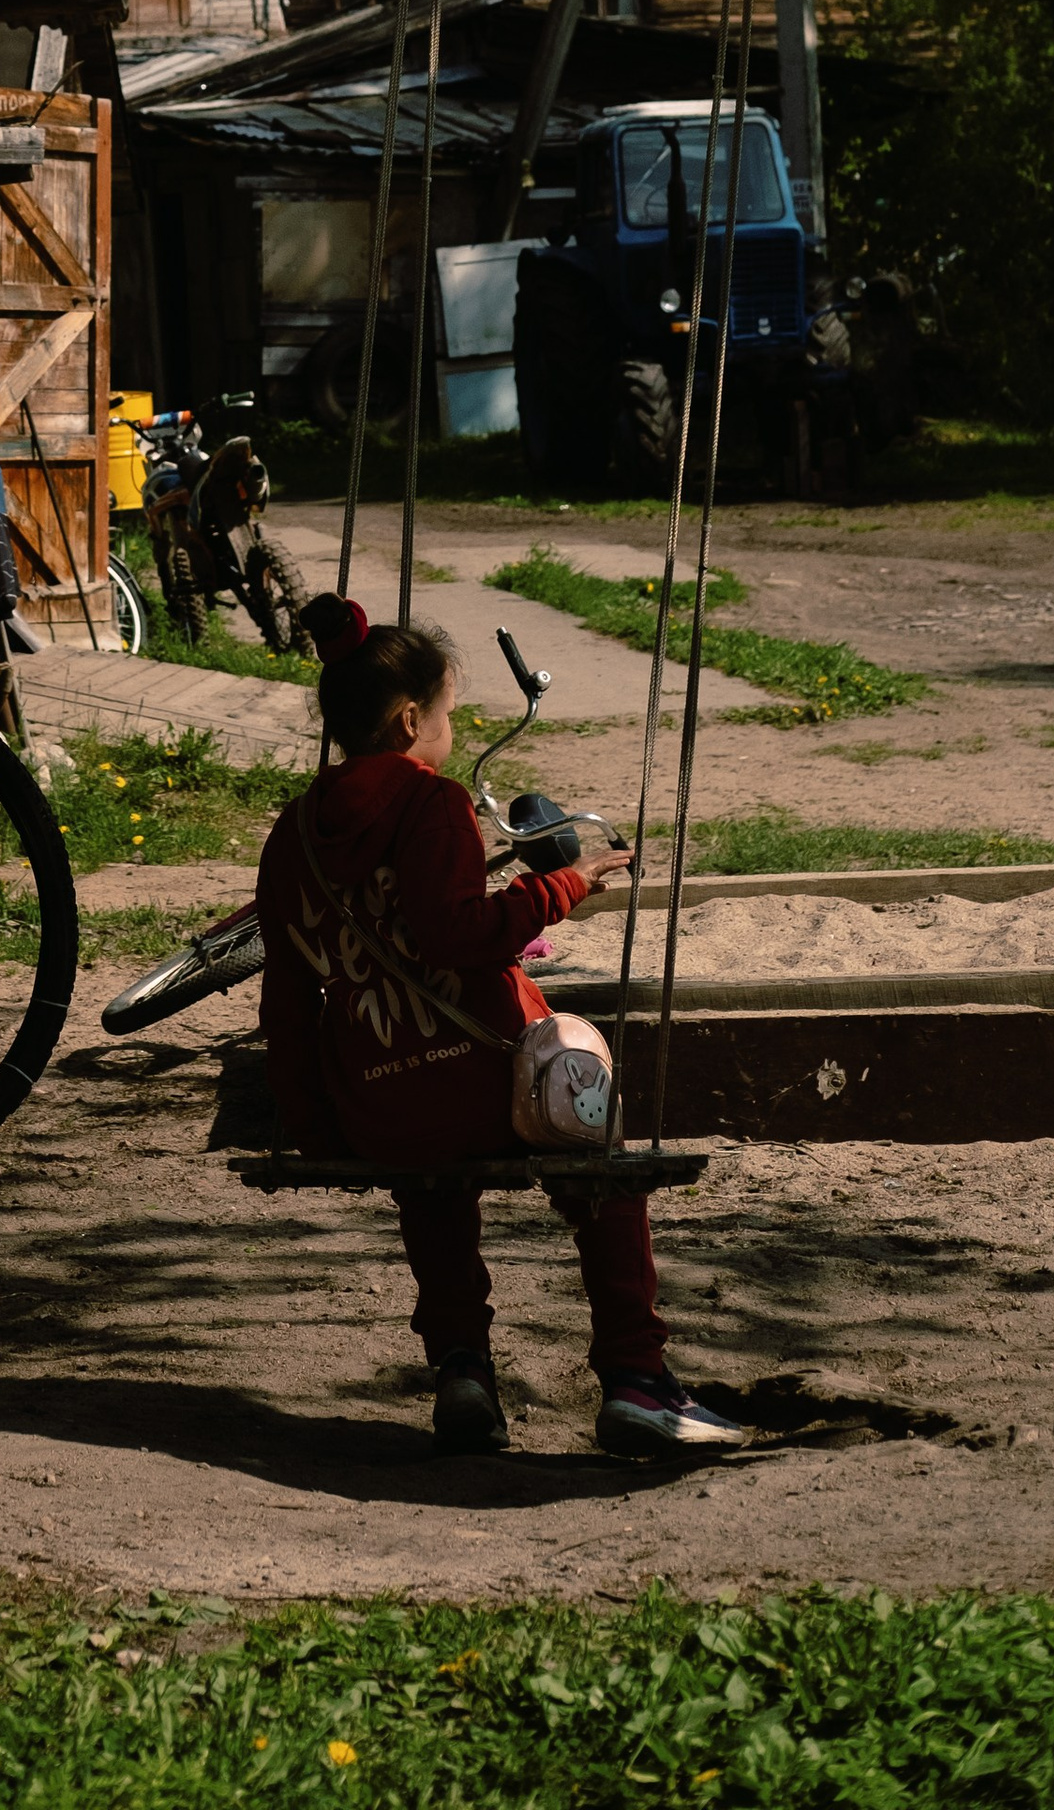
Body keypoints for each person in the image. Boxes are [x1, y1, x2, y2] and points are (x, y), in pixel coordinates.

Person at [254, 593, 740, 1461]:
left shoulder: (291, 834)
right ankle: (636, 1377)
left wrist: (320, 1126)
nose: (449, 734)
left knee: (430, 1183)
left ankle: (462, 1371)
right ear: (410, 721)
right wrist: (564, 886)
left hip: (377, 1107)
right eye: (447, 717)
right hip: (486, 1085)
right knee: (599, 1158)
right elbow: (459, 935)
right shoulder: (430, 801)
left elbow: (286, 1003)